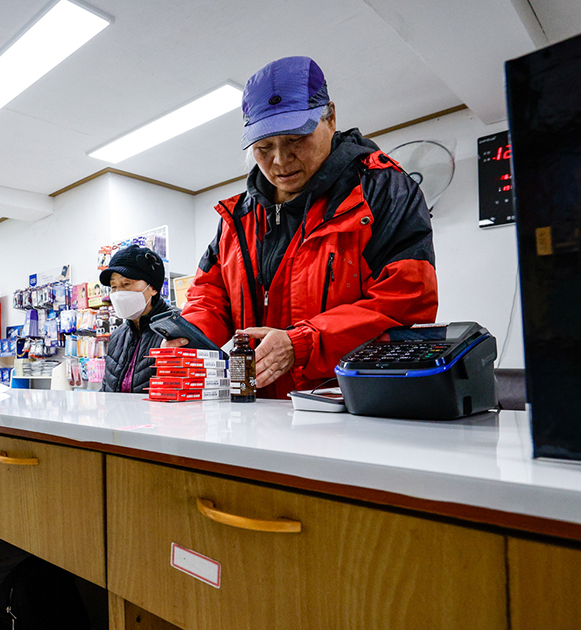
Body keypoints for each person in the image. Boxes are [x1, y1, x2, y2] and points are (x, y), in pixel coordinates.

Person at [177, 55, 438, 399]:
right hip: (252, 408)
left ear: (330, 117)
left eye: (296, 139)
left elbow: (407, 301)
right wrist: (189, 338)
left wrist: (304, 342)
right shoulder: (236, 217)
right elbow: (210, 297)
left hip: (346, 404)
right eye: (264, 147)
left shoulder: (382, 190)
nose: (281, 161)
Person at [99, 244, 172, 393]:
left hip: (160, 416)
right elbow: (107, 389)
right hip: (118, 416)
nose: (119, 293)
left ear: (153, 288)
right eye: (113, 287)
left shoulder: (176, 329)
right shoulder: (117, 336)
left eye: (126, 284)